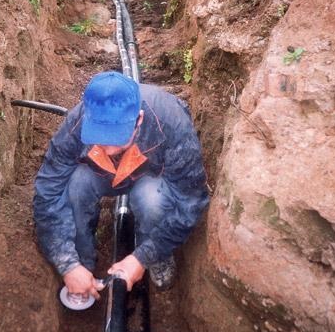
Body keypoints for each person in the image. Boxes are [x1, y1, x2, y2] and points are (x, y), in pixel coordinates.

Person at [34, 71, 209, 309]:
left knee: (151, 201)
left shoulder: (171, 124)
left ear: (138, 119)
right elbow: (48, 192)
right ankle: (83, 262)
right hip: (100, 174)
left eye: (116, 139)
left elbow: (191, 202)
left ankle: (156, 249)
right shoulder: (76, 124)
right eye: (99, 138)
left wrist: (142, 257)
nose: (107, 148)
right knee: (74, 186)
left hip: (149, 177)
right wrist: (68, 264)